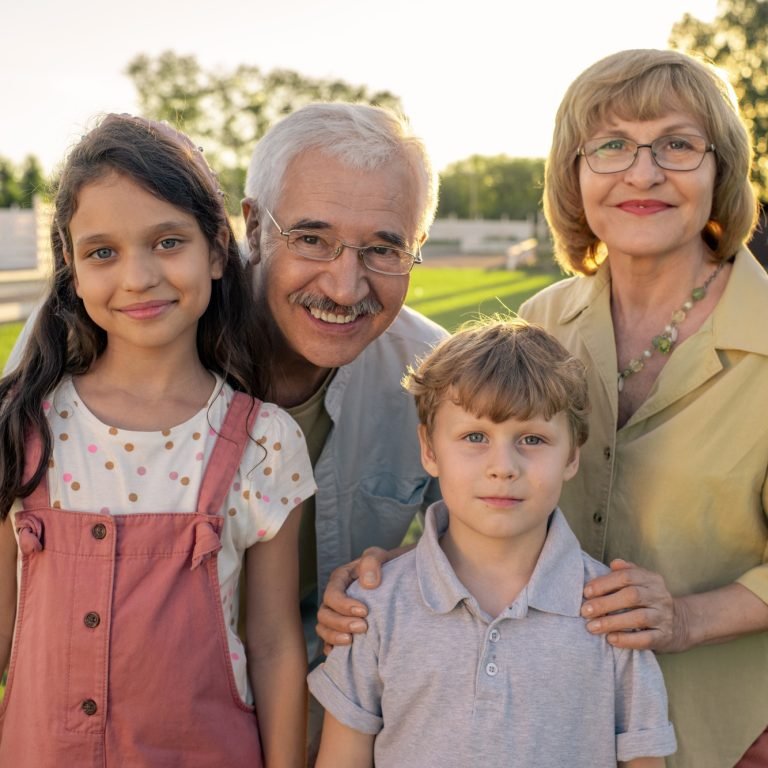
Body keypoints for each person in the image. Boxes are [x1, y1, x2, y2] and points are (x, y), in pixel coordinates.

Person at [318, 49, 768, 768]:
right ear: (574, 173)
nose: (643, 173)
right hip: (550, 729)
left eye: (678, 145)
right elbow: (497, 488)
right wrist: (392, 579)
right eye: (611, 146)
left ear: (721, 169)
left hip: (734, 732)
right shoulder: (543, 323)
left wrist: (685, 618)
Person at [0, 114, 315, 767]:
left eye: (168, 242)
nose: (138, 277)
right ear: (72, 267)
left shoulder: (265, 443)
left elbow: (274, 643)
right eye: (103, 252)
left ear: (218, 251)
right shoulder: (20, 426)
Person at [307, 317, 677, 768]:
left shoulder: (613, 615)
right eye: (475, 437)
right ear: (429, 449)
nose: (503, 466)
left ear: (573, 455)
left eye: (533, 439)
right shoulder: (374, 608)